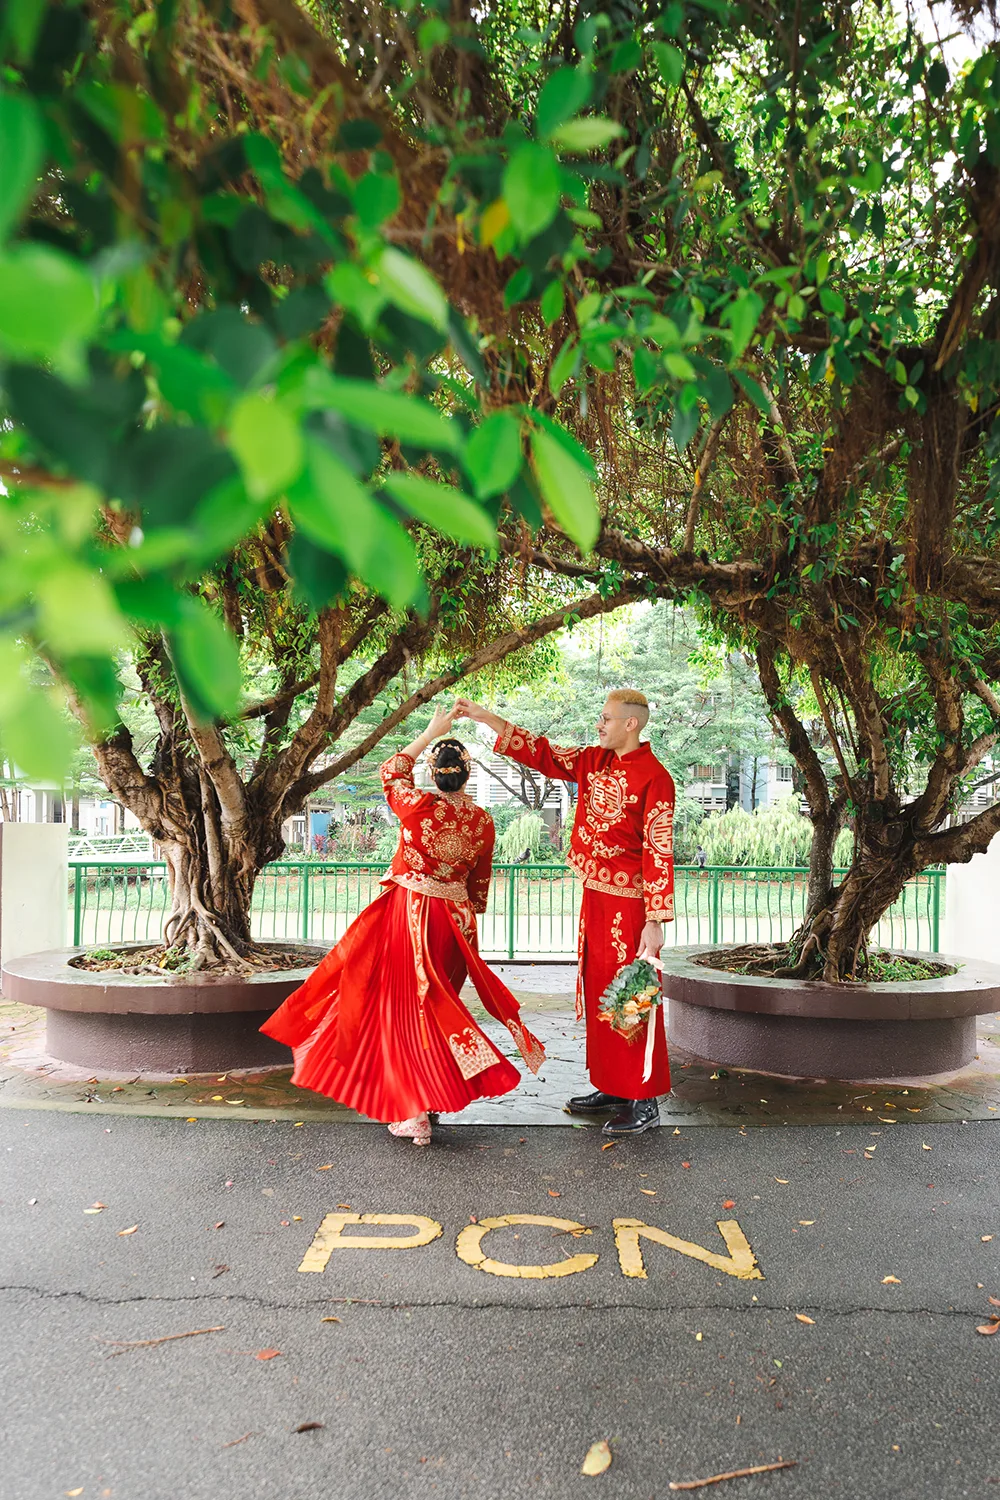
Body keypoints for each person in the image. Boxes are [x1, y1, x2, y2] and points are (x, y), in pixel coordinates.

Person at [260, 706, 544, 1147]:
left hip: (412, 913)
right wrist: (465, 911)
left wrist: (429, 732)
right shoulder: (482, 821)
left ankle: (413, 1111)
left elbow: (391, 771)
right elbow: (480, 882)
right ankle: (428, 1098)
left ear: (433, 773)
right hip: (457, 921)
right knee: (439, 1005)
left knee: (404, 1007)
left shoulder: (418, 806)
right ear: (467, 775)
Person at [455, 690, 673, 1136]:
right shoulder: (593, 761)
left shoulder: (656, 778)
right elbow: (541, 752)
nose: (599, 725)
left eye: (606, 718)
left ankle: (644, 1098)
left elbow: (659, 851)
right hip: (595, 897)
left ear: (631, 724)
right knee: (601, 991)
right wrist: (483, 716)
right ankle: (615, 1086)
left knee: (632, 993)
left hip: (631, 905)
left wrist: (655, 921)